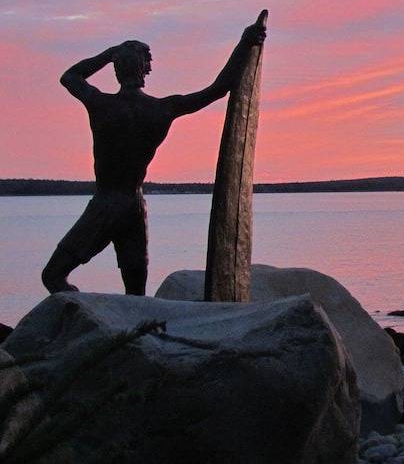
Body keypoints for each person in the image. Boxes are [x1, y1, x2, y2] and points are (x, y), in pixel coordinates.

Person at [41, 20, 267, 295]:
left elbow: (70, 77)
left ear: (116, 68)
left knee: (53, 276)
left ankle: (83, 326)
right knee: (136, 294)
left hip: (105, 204)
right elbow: (219, 88)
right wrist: (245, 43)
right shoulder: (162, 109)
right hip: (134, 207)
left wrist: (108, 52)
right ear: (146, 69)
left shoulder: (100, 104)